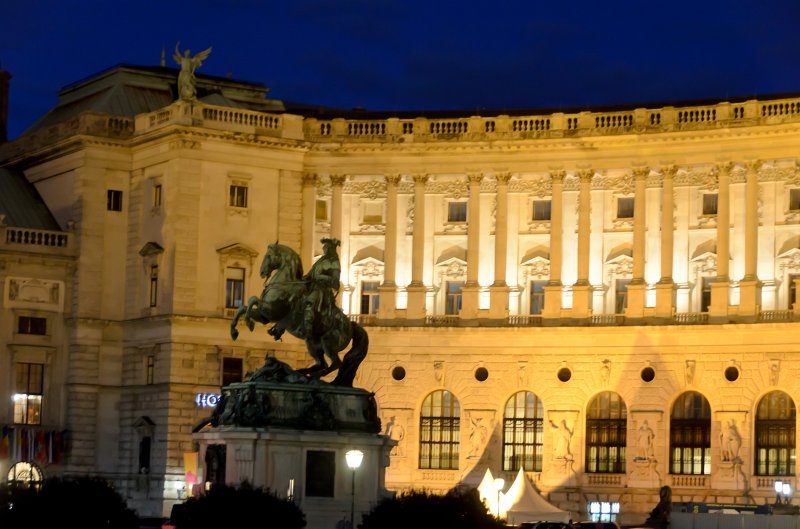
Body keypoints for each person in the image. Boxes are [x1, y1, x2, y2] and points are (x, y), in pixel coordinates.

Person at [302, 238, 341, 335]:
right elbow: (311, 273)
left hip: (322, 288)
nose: (323, 249)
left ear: (331, 248)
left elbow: (335, 280)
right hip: (312, 283)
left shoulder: (334, 262)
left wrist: (320, 277)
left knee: (310, 300)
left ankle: (308, 327)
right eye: (324, 247)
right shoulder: (321, 260)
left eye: (326, 247)